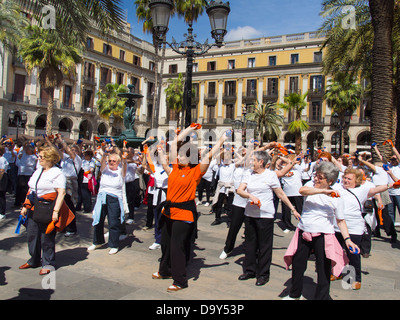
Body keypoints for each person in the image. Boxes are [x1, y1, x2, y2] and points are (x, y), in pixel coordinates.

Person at [152, 125, 229, 292]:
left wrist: (221, 141)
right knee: (165, 244)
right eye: (178, 155)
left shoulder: (195, 172)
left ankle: (180, 280)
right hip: (169, 211)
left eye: (182, 155)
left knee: (177, 246)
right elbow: (174, 144)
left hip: (184, 214)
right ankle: (164, 271)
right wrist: (188, 129)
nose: (178, 156)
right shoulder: (174, 168)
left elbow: (209, 155)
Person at [283, 162, 359, 300]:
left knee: (323, 268)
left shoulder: (337, 197)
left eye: (320, 177)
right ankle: (295, 294)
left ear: (330, 181)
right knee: (298, 265)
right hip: (304, 232)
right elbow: (302, 191)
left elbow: (340, 221)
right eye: (316, 176)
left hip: (324, 236)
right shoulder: (310, 188)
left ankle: (322, 297)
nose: (316, 179)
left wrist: (348, 240)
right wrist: (324, 191)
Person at [237, 150, 300, 287]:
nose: (251, 162)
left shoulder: (271, 175)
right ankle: (250, 270)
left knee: (264, 246)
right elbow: (240, 190)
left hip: (265, 215)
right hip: (250, 214)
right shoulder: (248, 174)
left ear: (261, 162)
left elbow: (281, 194)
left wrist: (293, 209)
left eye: (253, 160)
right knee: (250, 244)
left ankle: (263, 274)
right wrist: (250, 196)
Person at [332, 167, 398, 290]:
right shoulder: (338, 188)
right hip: (337, 225)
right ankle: (338, 272)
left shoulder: (363, 189)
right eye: (345, 178)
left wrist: (391, 185)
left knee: (353, 253)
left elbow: (377, 189)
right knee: (337, 251)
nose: (345, 180)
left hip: (354, 226)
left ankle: (356, 278)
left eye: (349, 179)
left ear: (356, 180)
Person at [18, 146, 71, 275]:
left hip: (48, 207)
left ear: (50, 159)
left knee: (46, 236)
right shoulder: (38, 171)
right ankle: (34, 260)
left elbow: (61, 192)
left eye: (41, 157)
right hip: (34, 206)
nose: (38, 158)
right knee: (32, 234)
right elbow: (31, 189)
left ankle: (48, 263)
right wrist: (25, 206)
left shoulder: (57, 173)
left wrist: (56, 211)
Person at [88, 146, 127, 255]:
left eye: (114, 161)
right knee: (98, 219)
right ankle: (97, 242)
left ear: (118, 162)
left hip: (114, 198)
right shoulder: (105, 169)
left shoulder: (120, 171)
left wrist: (123, 159)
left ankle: (113, 245)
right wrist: (105, 153)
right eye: (110, 161)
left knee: (113, 221)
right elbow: (102, 163)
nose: (111, 162)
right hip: (102, 197)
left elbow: (124, 167)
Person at [0, 146, 9, 219]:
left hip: (2, 178)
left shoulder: (2, 159)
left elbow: (2, 171)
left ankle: (2, 212)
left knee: (1, 195)